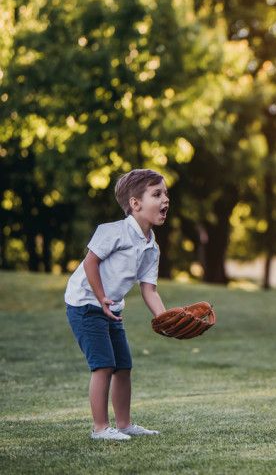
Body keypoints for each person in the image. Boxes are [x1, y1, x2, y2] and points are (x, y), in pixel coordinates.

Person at [64, 169, 170, 440]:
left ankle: (124, 425)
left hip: (113, 308)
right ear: (135, 204)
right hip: (86, 303)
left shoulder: (151, 247)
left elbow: (149, 290)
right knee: (103, 365)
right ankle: (100, 429)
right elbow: (91, 262)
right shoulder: (113, 231)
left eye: (166, 193)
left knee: (123, 366)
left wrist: (166, 319)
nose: (165, 199)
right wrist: (101, 298)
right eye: (157, 194)